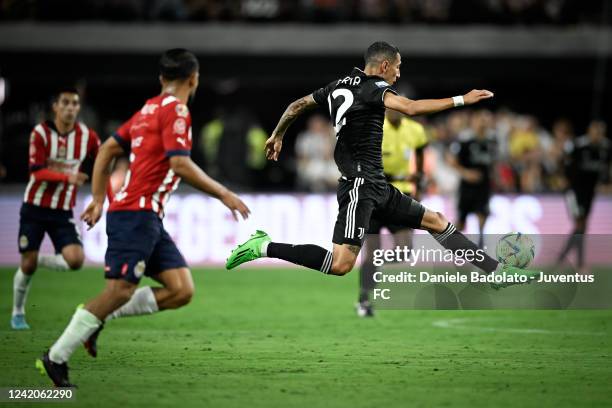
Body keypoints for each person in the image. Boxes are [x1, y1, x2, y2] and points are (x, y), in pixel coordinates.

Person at [226, 41, 538, 289]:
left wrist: (277, 135)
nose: (399, 75)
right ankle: (264, 246)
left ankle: (494, 272)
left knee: (437, 220)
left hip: (377, 186)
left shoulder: (336, 86)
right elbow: (412, 108)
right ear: (385, 65)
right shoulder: (374, 88)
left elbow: (297, 105)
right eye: (398, 68)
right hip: (359, 187)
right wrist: (462, 100)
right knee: (341, 265)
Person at [37, 49, 250, 387]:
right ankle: (56, 356)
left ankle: (98, 318)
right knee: (119, 290)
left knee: (181, 290)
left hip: (147, 215)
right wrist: (224, 194)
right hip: (135, 214)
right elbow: (179, 164)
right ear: (194, 79)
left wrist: (97, 198)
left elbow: (107, 149)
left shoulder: (147, 109)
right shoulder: (176, 111)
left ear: (161, 79)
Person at [12, 88, 99, 330]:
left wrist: (100, 197)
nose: (71, 107)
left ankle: (36, 258)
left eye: (75, 103)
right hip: (34, 207)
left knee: (76, 259)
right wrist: (67, 178)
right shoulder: (40, 133)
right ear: (56, 107)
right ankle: (18, 313)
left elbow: (103, 158)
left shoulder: (87, 136)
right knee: (26, 266)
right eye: (66, 103)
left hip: (62, 211)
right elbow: (36, 172)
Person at [357, 108, 428, 317]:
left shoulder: (415, 130)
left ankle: (375, 264)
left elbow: (421, 152)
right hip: (375, 194)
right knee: (371, 252)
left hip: (401, 195)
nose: (396, 112)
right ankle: (364, 298)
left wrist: (419, 184)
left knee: (405, 250)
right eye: (391, 108)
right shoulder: (375, 128)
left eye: (400, 108)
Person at [557, 120, 610, 272]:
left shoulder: (605, 148)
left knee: (582, 226)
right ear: (589, 132)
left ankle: (561, 259)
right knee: (580, 225)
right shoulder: (579, 146)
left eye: (600, 132)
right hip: (574, 191)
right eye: (595, 132)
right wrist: (563, 178)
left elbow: (605, 169)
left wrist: (605, 183)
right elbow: (564, 161)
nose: (597, 135)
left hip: (590, 192)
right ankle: (579, 263)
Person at [448, 109, 496, 249]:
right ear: (474, 121)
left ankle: (480, 246)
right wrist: (466, 173)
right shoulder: (465, 139)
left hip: (484, 185)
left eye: (486, 120)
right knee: (462, 220)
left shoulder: (492, 140)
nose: (483, 123)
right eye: (481, 119)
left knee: (483, 214)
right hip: (467, 186)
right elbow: (451, 159)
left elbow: (493, 161)